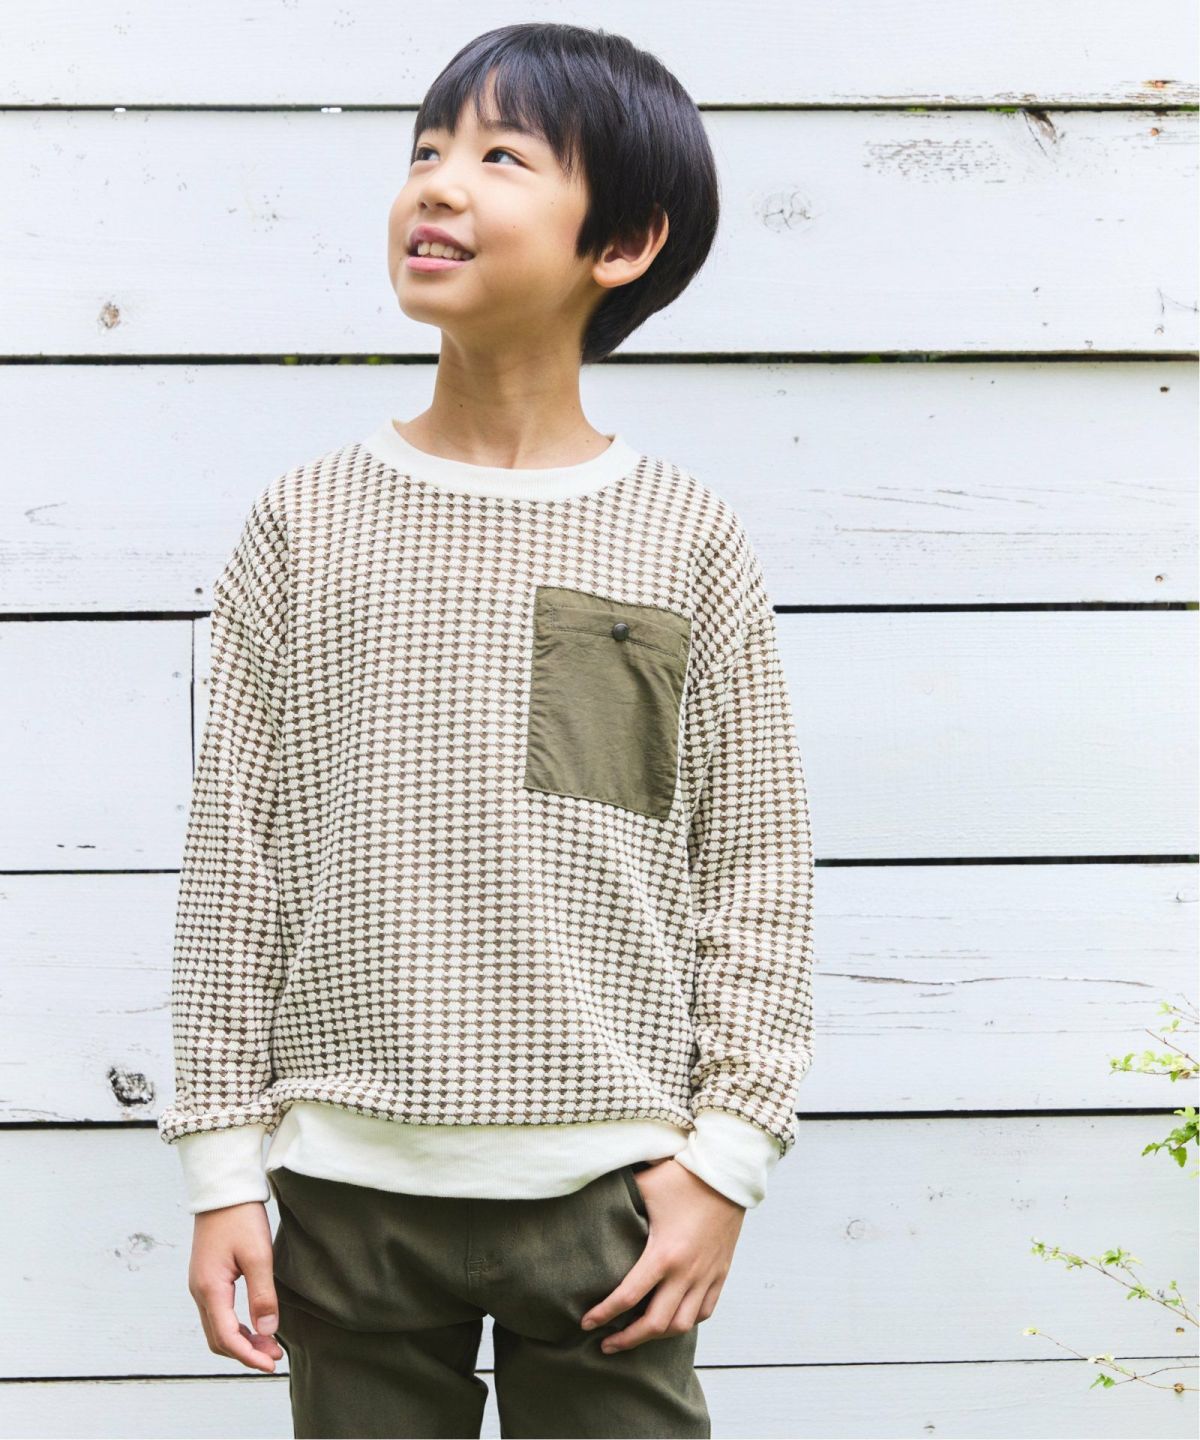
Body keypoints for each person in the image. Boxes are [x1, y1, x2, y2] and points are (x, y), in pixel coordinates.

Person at [159, 21, 815, 1440]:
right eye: (426, 150)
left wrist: (727, 1158)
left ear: (623, 242)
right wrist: (220, 1167)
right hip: (347, 1188)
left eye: (502, 156)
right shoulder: (305, 523)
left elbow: (756, 864)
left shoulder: (685, 538)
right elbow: (234, 863)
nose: (438, 183)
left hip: (611, 1191)